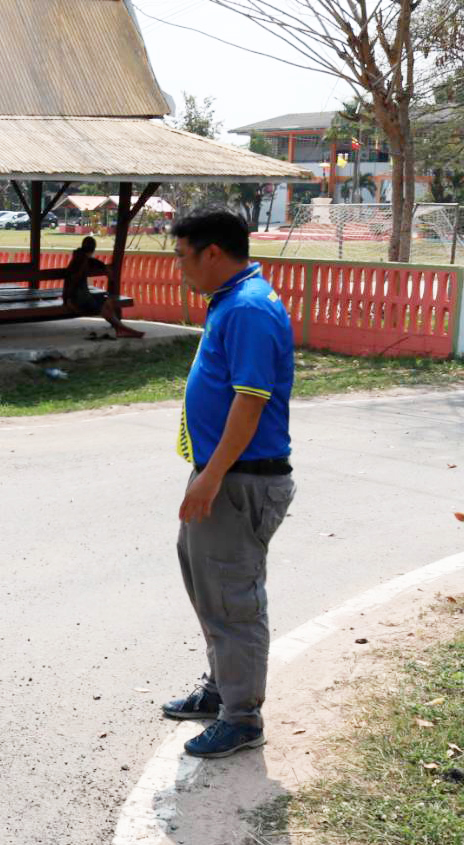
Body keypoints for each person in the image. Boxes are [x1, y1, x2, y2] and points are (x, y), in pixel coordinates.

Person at [163, 210, 296, 759]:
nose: (179, 269)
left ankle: (241, 719)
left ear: (212, 253)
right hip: (221, 474)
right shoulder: (231, 300)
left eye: (182, 257)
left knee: (233, 597)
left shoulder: (248, 308)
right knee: (209, 587)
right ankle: (222, 689)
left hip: (238, 480)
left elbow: (250, 402)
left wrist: (211, 476)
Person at [63, 236, 144, 338]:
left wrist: (104, 267)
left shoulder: (81, 257)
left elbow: (92, 262)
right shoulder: (81, 261)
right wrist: (68, 300)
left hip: (80, 296)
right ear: (93, 249)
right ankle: (121, 328)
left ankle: (120, 328)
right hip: (78, 299)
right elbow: (72, 280)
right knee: (102, 304)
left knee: (106, 300)